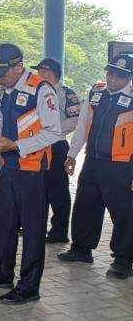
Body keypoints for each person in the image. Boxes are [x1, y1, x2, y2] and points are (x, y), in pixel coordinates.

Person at [0, 44, 61, 305]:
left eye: (3, 72)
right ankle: (1, 275)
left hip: (32, 169)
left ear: (18, 66)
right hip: (9, 166)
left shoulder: (41, 89)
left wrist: (17, 146)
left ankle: (29, 287)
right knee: (5, 223)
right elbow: (0, 117)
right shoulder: (2, 88)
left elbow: (54, 131)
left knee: (32, 229)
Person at [58, 55, 133, 279]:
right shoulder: (95, 94)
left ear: (129, 77)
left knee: (124, 214)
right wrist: (72, 154)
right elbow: (82, 126)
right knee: (85, 205)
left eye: (119, 75)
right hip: (92, 161)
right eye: (110, 73)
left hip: (122, 165)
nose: (112, 78)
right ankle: (81, 249)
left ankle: (123, 259)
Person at [31, 58, 80, 243]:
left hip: (56, 146)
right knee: (36, 188)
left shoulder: (67, 94)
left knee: (57, 190)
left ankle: (59, 232)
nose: (37, 75)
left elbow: (74, 120)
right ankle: (36, 227)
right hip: (35, 145)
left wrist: (51, 131)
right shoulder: (34, 91)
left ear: (49, 73)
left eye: (40, 72)